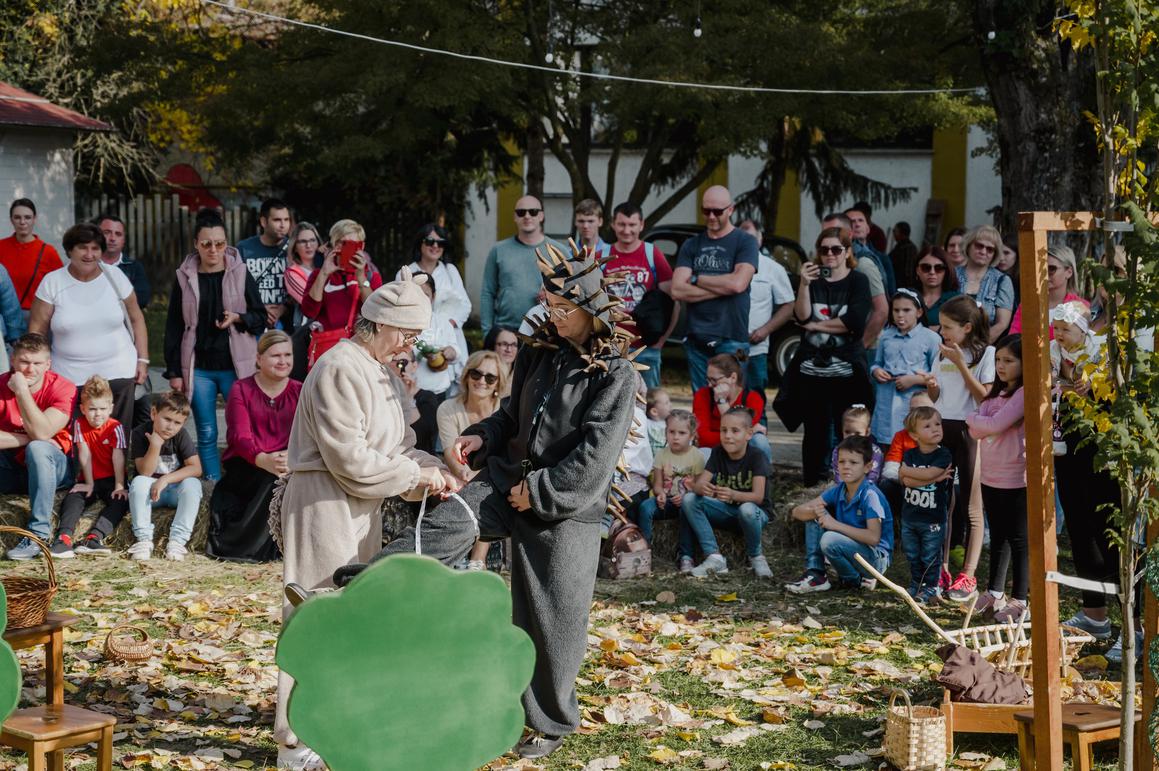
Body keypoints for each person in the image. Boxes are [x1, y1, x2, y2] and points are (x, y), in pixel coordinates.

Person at [310, 247, 638, 762]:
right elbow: (511, 414)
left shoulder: (616, 375)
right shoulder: (539, 350)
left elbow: (598, 453)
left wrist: (544, 491)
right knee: (446, 521)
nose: (554, 314)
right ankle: (363, 588)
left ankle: (549, 723)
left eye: (564, 307)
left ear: (591, 307)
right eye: (549, 302)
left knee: (553, 616)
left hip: (566, 506)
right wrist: (482, 436)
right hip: (508, 481)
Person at [273, 268, 455, 768]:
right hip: (323, 501)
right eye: (408, 336)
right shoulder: (337, 366)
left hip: (364, 504)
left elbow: (402, 446)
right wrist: (416, 476)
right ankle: (297, 735)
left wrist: (440, 468)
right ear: (381, 325)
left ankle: (339, 718)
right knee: (316, 610)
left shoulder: (382, 370)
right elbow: (350, 461)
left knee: (355, 612)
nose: (412, 347)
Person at [163, 209, 266, 481]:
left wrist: (238, 318)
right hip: (199, 367)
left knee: (240, 430)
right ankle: (213, 486)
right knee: (207, 432)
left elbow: (259, 318)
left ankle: (238, 483)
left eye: (219, 243)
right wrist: (174, 371)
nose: (213, 249)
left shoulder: (241, 273)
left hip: (235, 365)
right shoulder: (185, 277)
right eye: (207, 243)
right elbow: (174, 325)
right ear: (196, 244)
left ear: (227, 243)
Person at [776, 226, 873, 486]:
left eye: (836, 249)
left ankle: (847, 483)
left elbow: (854, 322)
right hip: (812, 374)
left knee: (848, 432)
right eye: (824, 249)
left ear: (847, 252)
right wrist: (805, 285)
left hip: (845, 373)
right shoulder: (812, 281)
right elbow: (803, 315)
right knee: (815, 435)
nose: (830, 254)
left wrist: (818, 327)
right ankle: (814, 486)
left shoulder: (858, 280)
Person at [29, 222, 150, 430]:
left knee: (115, 441)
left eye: (95, 248)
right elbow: (37, 330)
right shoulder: (53, 282)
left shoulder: (115, 277)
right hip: (68, 378)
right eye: (82, 248)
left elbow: (137, 318)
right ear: (69, 250)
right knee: (75, 442)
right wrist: (39, 368)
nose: (89, 254)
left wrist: (143, 360)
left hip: (118, 374)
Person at [207, 330, 300, 563]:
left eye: (288, 355)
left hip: (287, 461)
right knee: (272, 480)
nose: (283, 361)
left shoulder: (301, 390)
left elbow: (310, 434)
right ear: (259, 359)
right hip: (248, 463)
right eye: (275, 355)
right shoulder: (241, 389)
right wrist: (263, 460)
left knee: (287, 479)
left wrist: (291, 456)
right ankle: (249, 549)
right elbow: (239, 437)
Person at [925, 296, 993, 603]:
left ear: (967, 327)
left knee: (971, 506)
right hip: (943, 429)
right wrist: (931, 386)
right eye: (941, 325)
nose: (942, 331)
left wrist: (960, 365)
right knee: (943, 503)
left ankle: (969, 573)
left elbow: (984, 398)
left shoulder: (986, 354)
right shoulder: (942, 352)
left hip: (970, 432)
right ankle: (941, 568)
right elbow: (938, 396)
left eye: (948, 326)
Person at [670, 185, 758, 391]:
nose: (711, 216)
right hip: (696, 337)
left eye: (717, 211)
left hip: (731, 336)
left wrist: (696, 279)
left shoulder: (745, 242)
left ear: (730, 210)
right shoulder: (692, 245)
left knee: (731, 405)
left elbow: (738, 284)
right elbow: (676, 290)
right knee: (702, 404)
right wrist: (722, 287)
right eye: (706, 211)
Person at [966, 335, 1027, 624]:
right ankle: (995, 591)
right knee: (999, 536)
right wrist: (982, 423)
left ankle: (1021, 599)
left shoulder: (1025, 393)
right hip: (990, 474)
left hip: (1016, 476)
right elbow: (980, 427)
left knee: (1019, 540)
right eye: (998, 360)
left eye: (1009, 361)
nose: (1001, 366)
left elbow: (994, 423)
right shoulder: (997, 394)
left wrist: (981, 422)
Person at [785, 435, 893, 593]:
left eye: (853, 462)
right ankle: (816, 574)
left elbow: (873, 538)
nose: (846, 467)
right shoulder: (839, 490)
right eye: (842, 461)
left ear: (867, 467)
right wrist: (815, 511)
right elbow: (797, 512)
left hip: (876, 559)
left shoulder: (870, 495)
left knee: (829, 539)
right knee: (815, 515)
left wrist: (833, 524)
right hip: (854, 551)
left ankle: (854, 580)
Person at [0, 334, 74, 560]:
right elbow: (39, 435)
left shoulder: (63, 388)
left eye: (37, 363)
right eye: (24, 362)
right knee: (36, 444)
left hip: (52, 469)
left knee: (39, 449)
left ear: (48, 364)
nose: (30, 369)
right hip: (10, 467)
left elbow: (42, 433)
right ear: (13, 361)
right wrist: (29, 438)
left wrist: (21, 391)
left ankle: (37, 535)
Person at [437, 351, 509, 571]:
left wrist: (476, 476)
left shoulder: (504, 412)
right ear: (467, 375)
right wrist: (463, 473)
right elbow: (450, 450)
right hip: (458, 470)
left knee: (486, 489)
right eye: (476, 374)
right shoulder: (448, 408)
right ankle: (456, 556)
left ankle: (477, 560)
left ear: (498, 384)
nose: (481, 381)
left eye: (490, 377)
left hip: (493, 475)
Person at [681, 407, 771, 578]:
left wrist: (734, 495)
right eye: (724, 430)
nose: (728, 436)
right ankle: (714, 557)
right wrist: (703, 489)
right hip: (726, 511)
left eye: (735, 431)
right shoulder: (717, 452)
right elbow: (698, 485)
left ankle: (756, 556)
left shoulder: (757, 456)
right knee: (690, 499)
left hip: (755, 515)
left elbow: (759, 497)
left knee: (747, 509)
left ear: (749, 434)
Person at [601, 202, 677, 388]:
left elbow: (674, 301)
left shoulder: (652, 254)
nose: (627, 230)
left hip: (646, 346)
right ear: (613, 224)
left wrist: (661, 340)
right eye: (622, 224)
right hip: (613, 346)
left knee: (648, 405)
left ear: (641, 225)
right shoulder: (601, 256)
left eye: (632, 225)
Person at [50, 376, 128, 558]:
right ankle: (64, 538)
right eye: (92, 409)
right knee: (73, 498)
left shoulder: (115, 427)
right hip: (89, 476)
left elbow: (118, 457)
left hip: (111, 478)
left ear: (111, 408)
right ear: (83, 409)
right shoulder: (79, 424)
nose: (97, 414)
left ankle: (94, 538)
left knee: (122, 501)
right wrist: (89, 483)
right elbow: (84, 454)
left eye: (102, 409)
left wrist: (119, 485)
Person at [128, 391, 203, 561]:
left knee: (193, 484)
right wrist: (155, 445)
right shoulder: (140, 433)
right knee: (139, 482)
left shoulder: (181, 435)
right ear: (154, 413)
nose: (171, 427)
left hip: (174, 490)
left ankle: (177, 541)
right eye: (167, 419)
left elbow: (196, 468)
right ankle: (144, 539)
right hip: (151, 495)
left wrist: (165, 479)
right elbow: (145, 472)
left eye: (177, 423)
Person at [480, 195, 563, 338]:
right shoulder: (498, 250)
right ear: (515, 217)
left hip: (548, 331)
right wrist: (487, 332)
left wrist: (553, 293)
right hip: (506, 331)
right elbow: (488, 293)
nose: (527, 216)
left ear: (541, 216)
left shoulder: (559, 251)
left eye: (533, 212)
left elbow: (573, 292)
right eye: (521, 212)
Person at [898, 405, 954, 604]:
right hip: (910, 516)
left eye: (937, 424)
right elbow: (905, 481)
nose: (935, 428)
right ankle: (916, 583)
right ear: (914, 434)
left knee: (930, 555)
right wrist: (934, 480)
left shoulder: (943, 454)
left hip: (933, 519)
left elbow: (924, 473)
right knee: (913, 553)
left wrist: (922, 475)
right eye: (927, 426)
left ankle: (931, 586)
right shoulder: (910, 455)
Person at [870, 289, 940, 446]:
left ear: (919, 312)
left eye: (907, 310)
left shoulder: (931, 338)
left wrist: (914, 379)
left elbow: (938, 374)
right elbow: (877, 363)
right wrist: (876, 371)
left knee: (912, 441)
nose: (900, 315)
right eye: (896, 310)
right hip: (886, 400)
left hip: (912, 402)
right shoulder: (886, 336)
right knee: (885, 444)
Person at [739, 219, 794, 400]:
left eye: (751, 238)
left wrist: (765, 330)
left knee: (755, 406)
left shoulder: (773, 269)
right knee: (727, 407)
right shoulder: (726, 266)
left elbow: (788, 306)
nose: (747, 242)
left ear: (760, 240)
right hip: (727, 350)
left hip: (756, 350)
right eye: (742, 238)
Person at [633, 409, 704, 548]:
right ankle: (644, 550)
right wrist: (660, 494)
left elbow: (699, 487)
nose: (676, 437)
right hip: (666, 502)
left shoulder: (697, 456)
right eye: (671, 432)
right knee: (645, 507)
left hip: (687, 503)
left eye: (682, 433)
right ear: (666, 432)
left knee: (686, 510)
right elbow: (657, 484)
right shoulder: (661, 455)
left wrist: (687, 496)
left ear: (692, 435)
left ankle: (685, 554)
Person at [823, 213, 887, 365]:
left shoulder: (863, 264)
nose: (828, 237)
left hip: (866, 349)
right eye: (824, 232)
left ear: (850, 234)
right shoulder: (828, 265)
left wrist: (860, 348)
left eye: (834, 232)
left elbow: (882, 310)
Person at [299, 219, 384, 333]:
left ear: (361, 247)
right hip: (328, 345)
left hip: (360, 345)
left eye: (353, 244)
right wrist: (323, 274)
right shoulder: (319, 275)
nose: (347, 248)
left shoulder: (371, 276)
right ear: (334, 244)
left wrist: (361, 277)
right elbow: (309, 311)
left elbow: (376, 311)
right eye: (342, 243)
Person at [691, 353, 770, 462]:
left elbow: (749, 436)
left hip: (742, 456)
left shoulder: (753, 399)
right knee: (703, 454)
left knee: (759, 440)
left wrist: (722, 402)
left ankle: (762, 477)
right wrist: (740, 435)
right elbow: (703, 438)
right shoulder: (703, 395)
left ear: (733, 377)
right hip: (714, 453)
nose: (709, 385)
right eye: (708, 379)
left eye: (714, 380)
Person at [396, 224, 472, 334]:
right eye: (430, 241)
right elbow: (399, 308)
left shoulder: (450, 271)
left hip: (450, 335)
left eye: (440, 243)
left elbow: (465, 305)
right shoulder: (406, 272)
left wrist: (448, 326)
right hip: (415, 334)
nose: (435, 246)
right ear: (420, 243)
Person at [236, 198, 293, 332]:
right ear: (263, 222)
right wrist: (259, 309)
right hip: (252, 324)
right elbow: (234, 288)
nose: (283, 225)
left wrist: (283, 309)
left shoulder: (294, 248)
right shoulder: (243, 249)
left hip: (287, 326)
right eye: (277, 220)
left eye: (286, 220)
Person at [0, 199, 63, 314]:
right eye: (17, 217)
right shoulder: (1, 247)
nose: (22, 222)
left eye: (27, 217)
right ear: (11, 220)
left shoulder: (48, 252)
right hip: (5, 317)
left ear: (34, 219)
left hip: (36, 317)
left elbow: (60, 287)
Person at [1009, 245, 1086, 337]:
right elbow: (1012, 340)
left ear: (1069, 272)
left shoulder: (1081, 307)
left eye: (1051, 269)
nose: (1044, 275)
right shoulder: (1028, 305)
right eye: (1041, 269)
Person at [955, 225, 1014, 342]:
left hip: (984, 348)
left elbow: (1002, 324)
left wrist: (976, 345)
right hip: (949, 344)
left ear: (995, 254)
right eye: (979, 246)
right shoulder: (952, 274)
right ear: (968, 245)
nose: (983, 251)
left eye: (990, 249)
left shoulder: (1002, 280)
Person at [412, 272, 465, 399]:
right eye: (415, 295)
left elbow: (456, 351)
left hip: (438, 390)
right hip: (410, 389)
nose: (420, 300)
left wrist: (451, 352)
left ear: (433, 296)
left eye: (425, 295)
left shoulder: (442, 322)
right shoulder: (400, 323)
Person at [96, 214, 151, 309]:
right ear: (97, 236)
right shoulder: (87, 265)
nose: (112, 238)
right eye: (107, 232)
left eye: (118, 234)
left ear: (123, 240)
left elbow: (142, 299)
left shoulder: (134, 267)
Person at [393, 347, 440, 454]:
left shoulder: (427, 397)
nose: (398, 367)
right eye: (393, 361)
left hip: (420, 456)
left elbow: (424, 435)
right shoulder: (383, 394)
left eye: (403, 362)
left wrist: (408, 398)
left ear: (414, 366)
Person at [846, 205, 895, 296]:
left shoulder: (882, 258)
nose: (857, 224)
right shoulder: (835, 255)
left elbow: (891, 292)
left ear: (868, 229)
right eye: (852, 221)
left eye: (861, 220)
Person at [830, 405, 883, 485]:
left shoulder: (874, 452)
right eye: (847, 432)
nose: (852, 436)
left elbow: (873, 477)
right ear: (842, 430)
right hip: (844, 489)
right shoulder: (838, 451)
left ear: (867, 432)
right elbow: (838, 475)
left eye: (857, 433)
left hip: (867, 491)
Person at [284, 222, 321, 328]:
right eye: (302, 242)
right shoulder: (291, 273)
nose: (308, 245)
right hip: (309, 330)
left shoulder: (326, 265)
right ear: (294, 247)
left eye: (312, 240)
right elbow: (310, 303)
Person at [913, 246, 960, 331]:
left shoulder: (956, 300)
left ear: (946, 271)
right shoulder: (907, 296)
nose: (932, 272)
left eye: (939, 268)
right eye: (926, 267)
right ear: (917, 270)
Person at [889, 221, 919, 289]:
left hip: (902, 286)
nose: (893, 233)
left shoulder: (909, 249)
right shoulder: (899, 247)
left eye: (895, 231)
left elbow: (908, 272)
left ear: (901, 233)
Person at [645, 387, 670, 454]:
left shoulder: (669, 423)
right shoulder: (646, 424)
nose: (670, 405)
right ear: (654, 411)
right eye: (666, 403)